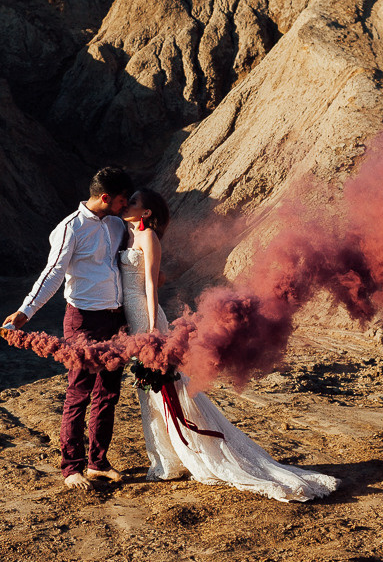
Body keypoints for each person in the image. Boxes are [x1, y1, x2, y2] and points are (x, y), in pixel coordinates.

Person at [120, 188, 340, 502]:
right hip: (131, 316)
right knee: (149, 394)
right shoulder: (125, 233)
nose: (126, 204)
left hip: (146, 315)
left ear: (146, 213)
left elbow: (152, 284)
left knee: (165, 388)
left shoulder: (148, 237)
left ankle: (187, 455)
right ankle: (167, 459)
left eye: (133, 202)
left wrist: (154, 326)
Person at [3, 166, 134, 490]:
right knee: (79, 392)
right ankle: (71, 468)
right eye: (122, 200)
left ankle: (97, 463)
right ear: (106, 197)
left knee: (108, 393)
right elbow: (53, 273)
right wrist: (25, 311)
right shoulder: (70, 228)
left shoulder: (117, 224)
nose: (125, 206)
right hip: (83, 320)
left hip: (116, 319)